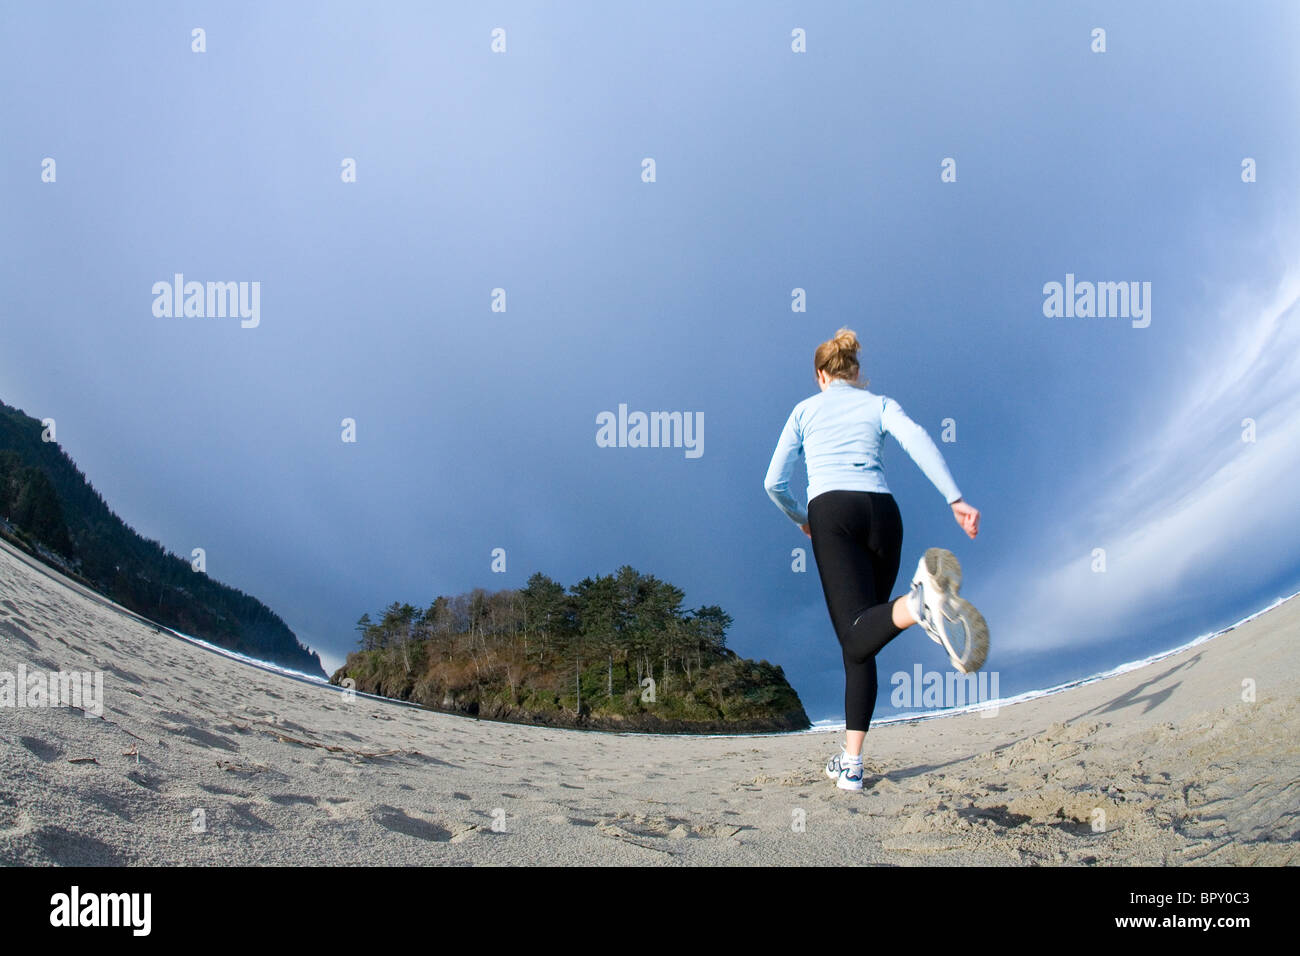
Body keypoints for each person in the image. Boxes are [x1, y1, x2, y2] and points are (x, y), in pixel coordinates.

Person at [763, 328, 989, 792]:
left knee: (856, 633)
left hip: (833, 512)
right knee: (861, 639)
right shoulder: (880, 404)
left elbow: (773, 482)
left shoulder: (804, 410)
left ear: (820, 375)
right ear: (856, 373)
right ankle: (852, 762)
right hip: (884, 514)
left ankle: (918, 603)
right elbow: (918, 439)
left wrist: (802, 518)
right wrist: (955, 498)